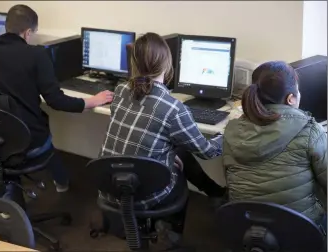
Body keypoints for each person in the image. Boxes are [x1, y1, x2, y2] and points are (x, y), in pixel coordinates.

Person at [0, 5, 113, 193]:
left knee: (21, 135)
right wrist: (91, 101)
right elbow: (56, 101)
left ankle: (10, 199)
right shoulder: (37, 55)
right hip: (29, 141)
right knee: (43, 139)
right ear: (28, 32)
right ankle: (62, 184)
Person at [99, 32, 226, 210]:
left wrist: (170, 154)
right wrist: (224, 135)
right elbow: (207, 152)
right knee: (180, 172)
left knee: (180, 150)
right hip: (143, 197)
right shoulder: (173, 109)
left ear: (134, 63)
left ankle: (215, 192)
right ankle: (171, 230)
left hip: (108, 188)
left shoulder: (120, 90)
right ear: (167, 64)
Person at [223, 61, 327, 227]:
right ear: (291, 99)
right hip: (300, 228)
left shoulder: (231, 129)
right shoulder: (310, 130)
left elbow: (229, 178)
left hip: (246, 224)